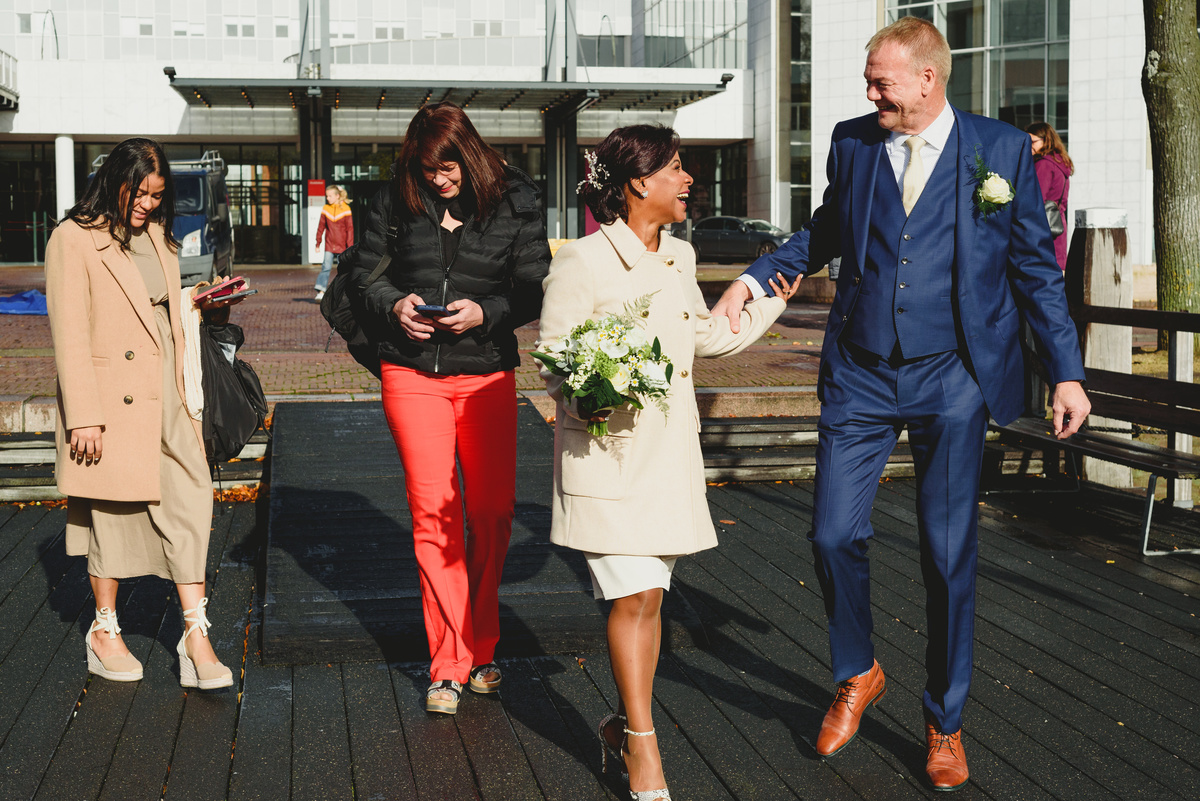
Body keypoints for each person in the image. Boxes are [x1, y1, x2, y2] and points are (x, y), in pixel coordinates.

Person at [712, 17, 1090, 792]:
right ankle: (858, 670)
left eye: (881, 79)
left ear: (928, 79)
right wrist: (753, 279)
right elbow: (825, 232)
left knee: (947, 555)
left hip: (953, 377)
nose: (869, 90)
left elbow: (1034, 273)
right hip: (860, 371)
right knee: (830, 532)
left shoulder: (1001, 151)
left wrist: (1067, 372)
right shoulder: (854, 143)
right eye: (868, 77)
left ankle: (944, 721)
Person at [538, 125, 795, 801]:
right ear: (637, 183)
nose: (689, 181)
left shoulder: (680, 256)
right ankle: (644, 749)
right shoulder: (582, 262)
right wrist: (600, 384)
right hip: (607, 461)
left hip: (669, 462)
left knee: (651, 601)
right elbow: (556, 363)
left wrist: (770, 302)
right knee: (632, 597)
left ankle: (622, 723)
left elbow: (704, 336)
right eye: (677, 169)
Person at [343, 102, 550, 715]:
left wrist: (486, 313)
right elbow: (363, 275)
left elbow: (534, 284)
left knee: (490, 515)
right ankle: (449, 664)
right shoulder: (390, 198)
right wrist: (393, 306)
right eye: (428, 168)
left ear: (471, 152)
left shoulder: (517, 199)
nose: (438, 180)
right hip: (412, 374)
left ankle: (481, 644)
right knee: (434, 516)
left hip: (486, 374)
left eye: (448, 167)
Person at [45, 138, 239, 691]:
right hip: (110, 402)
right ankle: (104, 632)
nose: (148, 204)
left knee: (190, 500)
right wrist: (83, 414)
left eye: (157, 195)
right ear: (114, 180)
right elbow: (70, 334)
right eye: (140, 192)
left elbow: (162, 302)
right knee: (110, 515)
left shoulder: (155, 234)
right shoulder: (72, 238)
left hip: (169, 392)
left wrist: (202, 297)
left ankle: (194, 636)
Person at [1025, 121, 1073, 271]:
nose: (1029, 146)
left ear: (1046, 140)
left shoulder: (1044, 164)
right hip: (1057, 224)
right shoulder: (1060, 162)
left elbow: (1035, 198)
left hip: (1042, 227)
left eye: (1033, 141)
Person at [314, 184, 353, 300]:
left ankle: (344, 292)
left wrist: (349, 247)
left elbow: (350, 229)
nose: (327, 198)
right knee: (326, 267)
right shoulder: (326, 209)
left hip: (343, 246)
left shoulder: (346, 209)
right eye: (327, 196)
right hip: (329, 245)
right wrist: (318, 243)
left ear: (337, 196)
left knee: (344, 269)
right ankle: (321, 291)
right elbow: (320, 227)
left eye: (330, 196)